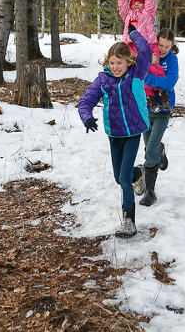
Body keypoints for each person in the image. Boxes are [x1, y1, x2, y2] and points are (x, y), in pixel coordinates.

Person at [78, 26, 151, 239]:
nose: (116, 67)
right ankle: (139, 174)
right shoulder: (103, 80)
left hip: (133, 132)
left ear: (128, 62)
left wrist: (133, 34)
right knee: (119, 178)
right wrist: (87, 117)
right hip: (115, 134)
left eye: (120, 62)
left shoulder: (136, 73)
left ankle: (129, 222)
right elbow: (85, 102)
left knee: (124, 180)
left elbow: (145, 51)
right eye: (112, 63)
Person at [135, 28, 179, 207]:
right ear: (156, 42)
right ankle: (160, 151)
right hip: (146, 111)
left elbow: (170, 82)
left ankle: (150, 192)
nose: (163, 49)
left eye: (167, 46)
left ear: (172, 46)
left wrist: (149, 78)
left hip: (163, 112)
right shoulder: (147, 56)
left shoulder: (172, 60)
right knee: (150, 148)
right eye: (161, 45)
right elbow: (138, 74)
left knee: (150, 149)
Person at [118, 0, 170, 113]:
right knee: (141, 73)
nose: (136, 4)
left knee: (155, 68)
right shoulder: (127, 16)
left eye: (140, 2)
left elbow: (151, 4)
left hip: (149, 45)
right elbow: (122, 6)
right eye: (133, 3)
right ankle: (150, 98)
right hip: (133, 47)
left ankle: (162, 93)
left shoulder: (148, 14)